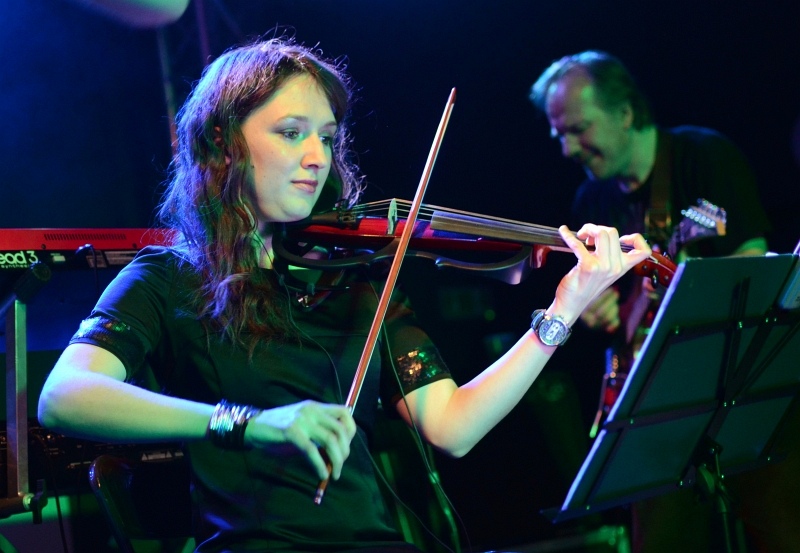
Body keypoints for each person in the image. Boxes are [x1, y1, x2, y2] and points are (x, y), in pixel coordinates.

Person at [37, 38, 652, 553]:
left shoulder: (355, 279)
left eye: (327, 138)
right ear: (224, 145)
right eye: (290, 132)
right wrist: (247, 424)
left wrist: (565, 307)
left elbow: (453, 427)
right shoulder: (171, 277)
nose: (316, 157)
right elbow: (65, 396)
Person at [529, 51, 792, 553]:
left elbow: (754, 268)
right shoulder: (591, 201)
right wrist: (596, 311)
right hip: (657, 406)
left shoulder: (703, 157)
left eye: (578, 129)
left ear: (625, 113)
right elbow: (601, 304)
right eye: (559, 134)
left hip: (737, 388)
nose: (567, 148)